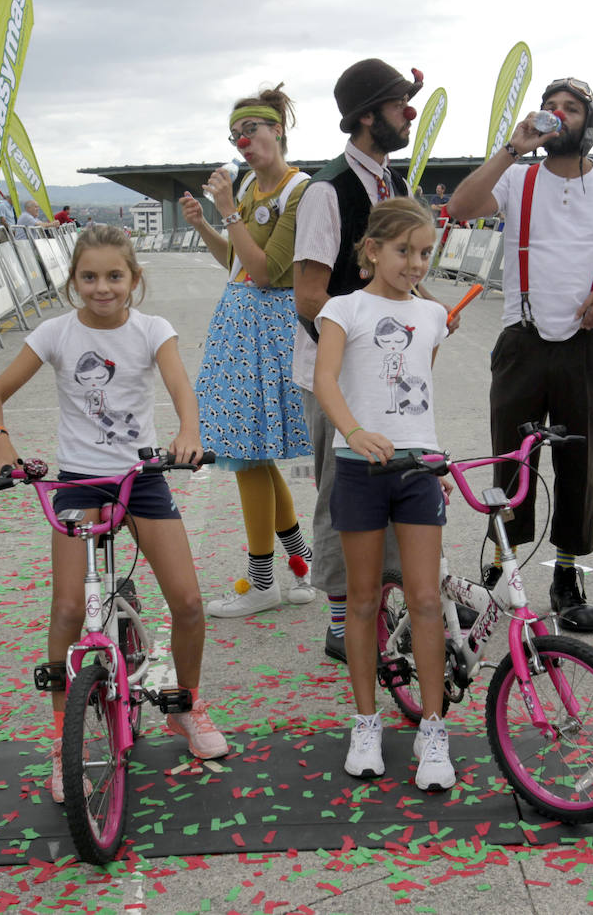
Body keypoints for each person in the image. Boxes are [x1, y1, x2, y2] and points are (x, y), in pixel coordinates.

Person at [0, 224, 228, 792]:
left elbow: (179, 387)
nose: (102, 287)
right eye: (89, 276)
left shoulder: (151, 330)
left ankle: (185, 703)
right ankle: (65, 735)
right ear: (73, 282)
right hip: (80, 484)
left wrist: (188, 432)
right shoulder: (55, 333)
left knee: (188, 602)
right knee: (67, 611)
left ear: (134, 281)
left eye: (114, 276)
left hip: (141, 478)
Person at [446, 77, 593, 633]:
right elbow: (460, 208)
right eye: (551, 107)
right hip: (523, 338)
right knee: (510, 461)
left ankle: (567, 574)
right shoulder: (517, 177)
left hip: (586, 344)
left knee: (579, 462)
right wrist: (514, 145)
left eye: (571, 108)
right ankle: (498, 571)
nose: (559, 115)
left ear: (589, 121)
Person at [312, 197, 454, 789]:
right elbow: (325, 380)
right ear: (372, 250)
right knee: (363, 601)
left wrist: (420, 446)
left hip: (419, 470)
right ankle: (365, 722)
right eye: (403, 251)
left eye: (424, 252)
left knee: (425, 601)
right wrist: (354, 431)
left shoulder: (437, 314)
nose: (415, 263)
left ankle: (433, 728)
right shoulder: (343, 308)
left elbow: (420, 381)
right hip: (358, 469)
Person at [293, 58, 427, 662]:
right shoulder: (326, 190)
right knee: (342, 499)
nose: (410, 114)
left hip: (387, 372)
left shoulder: (393, 187)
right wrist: (358, 352)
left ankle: (378, 608)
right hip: (336, 373)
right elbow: (309, 297)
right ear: (368, 114)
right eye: (401, 103)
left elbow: (395, 286)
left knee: (397, 486)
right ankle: (345, 623)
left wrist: (427, 310)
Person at [178, 83, 314, 618]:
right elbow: (235, 262)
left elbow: (265, 272)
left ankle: (264, 582)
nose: (242, 142)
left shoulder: (297, 190)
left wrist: (228, 209)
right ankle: (299, 564)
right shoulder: (253, 190)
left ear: (277, 129)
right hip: (240, 326)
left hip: (267, 330)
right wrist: (206, 224)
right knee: (250, 458)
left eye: (251, 130)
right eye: (236, 134)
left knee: (250, 459)